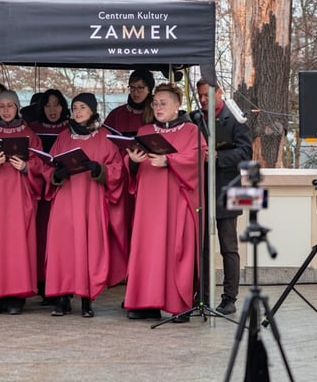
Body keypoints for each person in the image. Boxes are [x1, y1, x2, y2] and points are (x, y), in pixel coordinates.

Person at [123, 83, 204, 321]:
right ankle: (145, 303)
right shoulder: (145, 130)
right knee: (148, 249)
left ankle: (178, 305)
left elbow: (199, 157)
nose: (158, 107)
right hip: (149, 202)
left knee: (175, 248)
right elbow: (132, 169)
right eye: (155, 103)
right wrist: (134, 162)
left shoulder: (191, 130)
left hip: (177, 202)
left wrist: (169, 161)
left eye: (163, 103)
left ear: (177, 106)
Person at [43, 93, 123, 318]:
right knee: (63, 248)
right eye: (75, 107)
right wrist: (55, 173)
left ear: (92, 111)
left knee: (88, 247)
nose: (78, 112)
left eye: (83, 108)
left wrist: (100, 170)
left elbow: (117, 169)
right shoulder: (63, 137)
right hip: (65, 199)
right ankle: (61, 298)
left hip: (91, 200)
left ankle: (87, 299)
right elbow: (47, 165)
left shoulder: (106, 137)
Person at [0, 90, 44, 315]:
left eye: (9, 105)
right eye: (1, 106)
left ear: (17, 107)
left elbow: (42, 165)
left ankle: (16, 295)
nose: (5, 109)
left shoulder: (30, 135)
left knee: (16, 245)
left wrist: (26, 168)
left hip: (18, 196)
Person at [195, 79, 253, 315]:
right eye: (200, 96)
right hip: (201, 189)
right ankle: (203, 295)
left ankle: (229, 298)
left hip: (230, 187)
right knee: (203, 247)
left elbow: (246, 153)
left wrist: (218, 156)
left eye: (207, 95)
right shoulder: (195, 117)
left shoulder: (236, 119)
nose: (203, 100)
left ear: (220, 92)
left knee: (229, 247)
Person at [102, 69, 155, 287]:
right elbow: (104, 142)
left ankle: (141, 274)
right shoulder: (116, 114)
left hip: (147, 178)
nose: (135, 92)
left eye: (140, 88)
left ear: (149, 89)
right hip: (120, 180)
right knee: (121, 226)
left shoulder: (155, 114)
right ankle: (121, 272)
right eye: (132, 88)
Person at [27, 88, 70, 303]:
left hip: (63, 189)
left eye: (57, 104)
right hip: (38, 189)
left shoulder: (71, 130)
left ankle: (62, 283)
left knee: (62, 240)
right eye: (47, 105)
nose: (52, 109)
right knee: (40, 237)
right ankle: (40, 281)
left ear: (64, 107)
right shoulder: (31, 130)